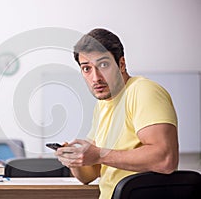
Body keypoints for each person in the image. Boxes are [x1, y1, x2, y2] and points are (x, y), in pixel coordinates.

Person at [55, 28, 179, 199]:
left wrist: (99, 154)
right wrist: (75, 160)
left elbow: (165, 160)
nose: (95, 77)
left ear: (121, 64)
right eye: (86, 68)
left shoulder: (143, 91)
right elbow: (89, 174)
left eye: (103, 65)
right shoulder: (103, 105)